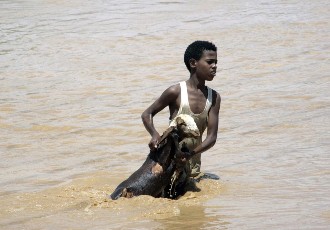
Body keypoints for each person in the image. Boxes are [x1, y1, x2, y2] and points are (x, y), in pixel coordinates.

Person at [141, 40, 221, 179]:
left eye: (216, 62)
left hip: (193, 166)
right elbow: (147, 114)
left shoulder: (214, 97)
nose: (214, 66)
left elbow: (211, 138)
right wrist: (154, 134)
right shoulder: (176, 91)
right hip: (168, 166)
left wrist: (191, 154)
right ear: (193, 63)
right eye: (210, 62)